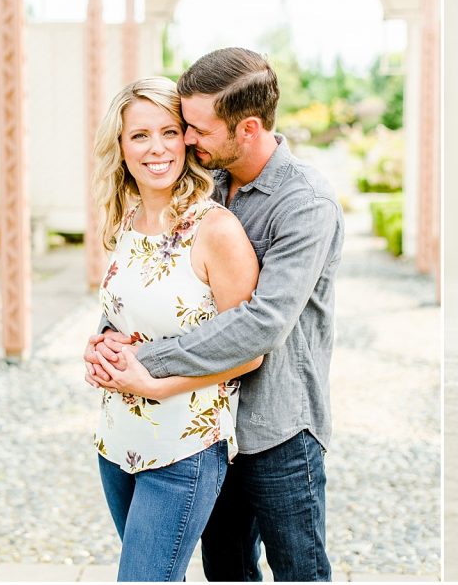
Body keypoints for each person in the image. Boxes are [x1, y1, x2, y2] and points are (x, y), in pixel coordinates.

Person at [85, 48, 345, 582]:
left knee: (300, 571)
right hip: (206, 423)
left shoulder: (305, 202)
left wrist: (144, 362)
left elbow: (262, 323)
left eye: (194, 128)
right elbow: (162, 290)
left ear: (246, 128)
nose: (185, 140)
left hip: (277, 427)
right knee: (226, 570)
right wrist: (108, 340)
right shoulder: (210, 181)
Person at [87, 77, 262, 582]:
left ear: (187, 139)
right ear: (120, 147)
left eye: (169, 131)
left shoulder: (216, 229)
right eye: (140, 135)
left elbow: (249, 353)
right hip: (116, 440)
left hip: (183, 447)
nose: (157, 147)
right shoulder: (125, 219)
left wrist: (154, 383)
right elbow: (125, 316)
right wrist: (98, 345)